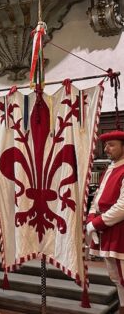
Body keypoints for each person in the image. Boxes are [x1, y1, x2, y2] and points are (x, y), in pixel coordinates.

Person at [87, 130, 124, 313]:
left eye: (112, 145)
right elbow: (98, 198)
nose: (107, 149)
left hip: (120, 229)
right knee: (116, 276)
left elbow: (122, 207)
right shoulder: (110, 168)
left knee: (123, 274)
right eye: (106, 145)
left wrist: (96, 223)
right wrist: (91, 215)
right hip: (108, 228)